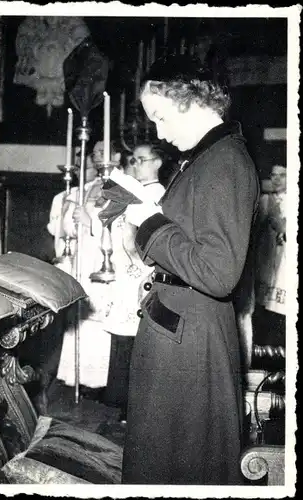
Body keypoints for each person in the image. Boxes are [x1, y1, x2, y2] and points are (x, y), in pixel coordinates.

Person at [112, 55, 260, 484]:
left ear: (186, 98)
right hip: (178, 328)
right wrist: (144, 228)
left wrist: (151, 222)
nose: (158, 132)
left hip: (190, 340)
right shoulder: (206, 158)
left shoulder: (224, 162)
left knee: (181, 464)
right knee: (166, 458)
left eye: (159, 117)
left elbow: (217, 272)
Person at [47, 140, 120, 392]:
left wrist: (91, 223)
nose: (98, 157)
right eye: (96, 153)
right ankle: (76, 376)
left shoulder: (121, 185)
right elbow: (64, 227)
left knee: (99, 316)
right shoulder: (87, 187)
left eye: (104, 152)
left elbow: (121, 228)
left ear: (118, 155)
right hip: (83, 257)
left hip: (104, 259)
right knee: (80, 317)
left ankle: (99, 381)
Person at [102, 143, 165, 421]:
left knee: (137, 342)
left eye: (142, 160)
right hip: (124, 274)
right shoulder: (132, 193)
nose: (136, 165)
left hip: (141, 274)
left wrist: (130, 241)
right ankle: (123, 405)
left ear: (158, 162)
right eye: (134, 160)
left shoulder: (160, 194)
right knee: (124, 341)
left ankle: (136, 409)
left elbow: (143, 239)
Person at [254, 164, 286, 347]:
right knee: (262, 310)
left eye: (282, 175)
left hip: (284, 266)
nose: (277, 179)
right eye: (273, 175)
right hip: (265, 260)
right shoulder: (264, 201)